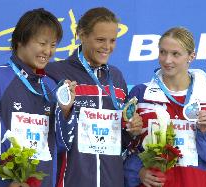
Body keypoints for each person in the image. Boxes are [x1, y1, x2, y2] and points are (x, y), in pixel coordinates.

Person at [0, 8, 77, 187]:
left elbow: (61, 145)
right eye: (42, 43)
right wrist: (1, 182)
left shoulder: (51, 87)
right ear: (20, 40)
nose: (48, 51)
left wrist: (66, 113)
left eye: (53, 45)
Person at [45, 7, 142, 187]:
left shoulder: (117, 77)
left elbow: (121, 140)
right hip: (71, 179)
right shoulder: (56, 73)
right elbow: (49, 133)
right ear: (82, 35)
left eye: (112, 40)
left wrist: (131, 129)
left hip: (112, 180)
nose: (107, 47)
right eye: (100, 40)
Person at [123, 27, 206, 187]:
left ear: (191, 56)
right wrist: (137, 172)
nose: (167, 60)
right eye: (163, 52)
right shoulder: (140, 93)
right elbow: (125, 148)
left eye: (175, 54)